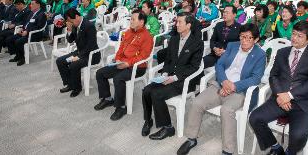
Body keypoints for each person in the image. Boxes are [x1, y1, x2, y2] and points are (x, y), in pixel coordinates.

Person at [177, 23, 266, 155]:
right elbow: (220, 65)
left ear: (256, 39)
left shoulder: (260, 54)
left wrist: (233, 86)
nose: (244, 41)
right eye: (242, 37)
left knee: (226, 110)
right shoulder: (232, 46)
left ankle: (227, 150)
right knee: (197, 102)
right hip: (221, 83)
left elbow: (255, 78)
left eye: (249, 38)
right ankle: (191, 138)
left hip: (240, 90)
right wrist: (224, 81)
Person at [249, 21, 308, 155]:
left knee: (299, 134)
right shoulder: (282, 52)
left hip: (302, 102)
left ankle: (290, 152)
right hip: (279, 98)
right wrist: (279, 94)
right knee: (255, 118)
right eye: (294, 34)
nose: (294, 38)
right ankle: (276, 147)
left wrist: (289, 96)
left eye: (300, 36)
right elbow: (273, 76)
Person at [141, 12, 204, 140]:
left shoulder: (197, 42)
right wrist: (164, 73)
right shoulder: (174, 39)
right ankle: (148, 120)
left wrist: (174, 78)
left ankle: (168, 127)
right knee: (147, 90)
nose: (177, 24)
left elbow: (194, 67)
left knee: (156, 94)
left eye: (180, 22)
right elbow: (168, 60)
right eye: (176, 21)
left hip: (184, 80)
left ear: (189, 25)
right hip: (169, 76)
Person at [94, 10, 154, 120]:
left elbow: (143, 56)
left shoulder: (147, 37)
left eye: (133, 19)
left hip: (137, 67)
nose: (130, 21)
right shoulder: (128, 32)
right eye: (131, 18)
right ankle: (107, 98)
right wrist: (117, 59)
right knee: (100, 73)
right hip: (122, 63)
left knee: (118, 78)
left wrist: (128, 63)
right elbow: (121, 48)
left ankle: (121, 107)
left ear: (141, 22)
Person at [56, 8, 100, 97]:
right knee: (60, 61)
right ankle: (70, 84)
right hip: (80, 52)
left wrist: (79, 56)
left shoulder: (89, 25)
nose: (70, 23)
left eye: (70, 21)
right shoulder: (75, 25)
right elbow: (70, 40)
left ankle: (77, 88)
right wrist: (69, 30)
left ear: (76, 16)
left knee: (74, 64)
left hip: (91, 55)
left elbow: (91, 45)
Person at [5, 0, 47, 66]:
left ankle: (22, 58)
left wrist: (27, 31)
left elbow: (39, 26)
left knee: (18, 41)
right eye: (30, 4)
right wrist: (22, 28)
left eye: (33, 4)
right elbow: (26, 23)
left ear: (38, 5)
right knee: (9, 39)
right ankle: (17, 55)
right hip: (26, 32)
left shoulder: (42, 14)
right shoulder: (31, 13)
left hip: (35, 35)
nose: (31, 5)